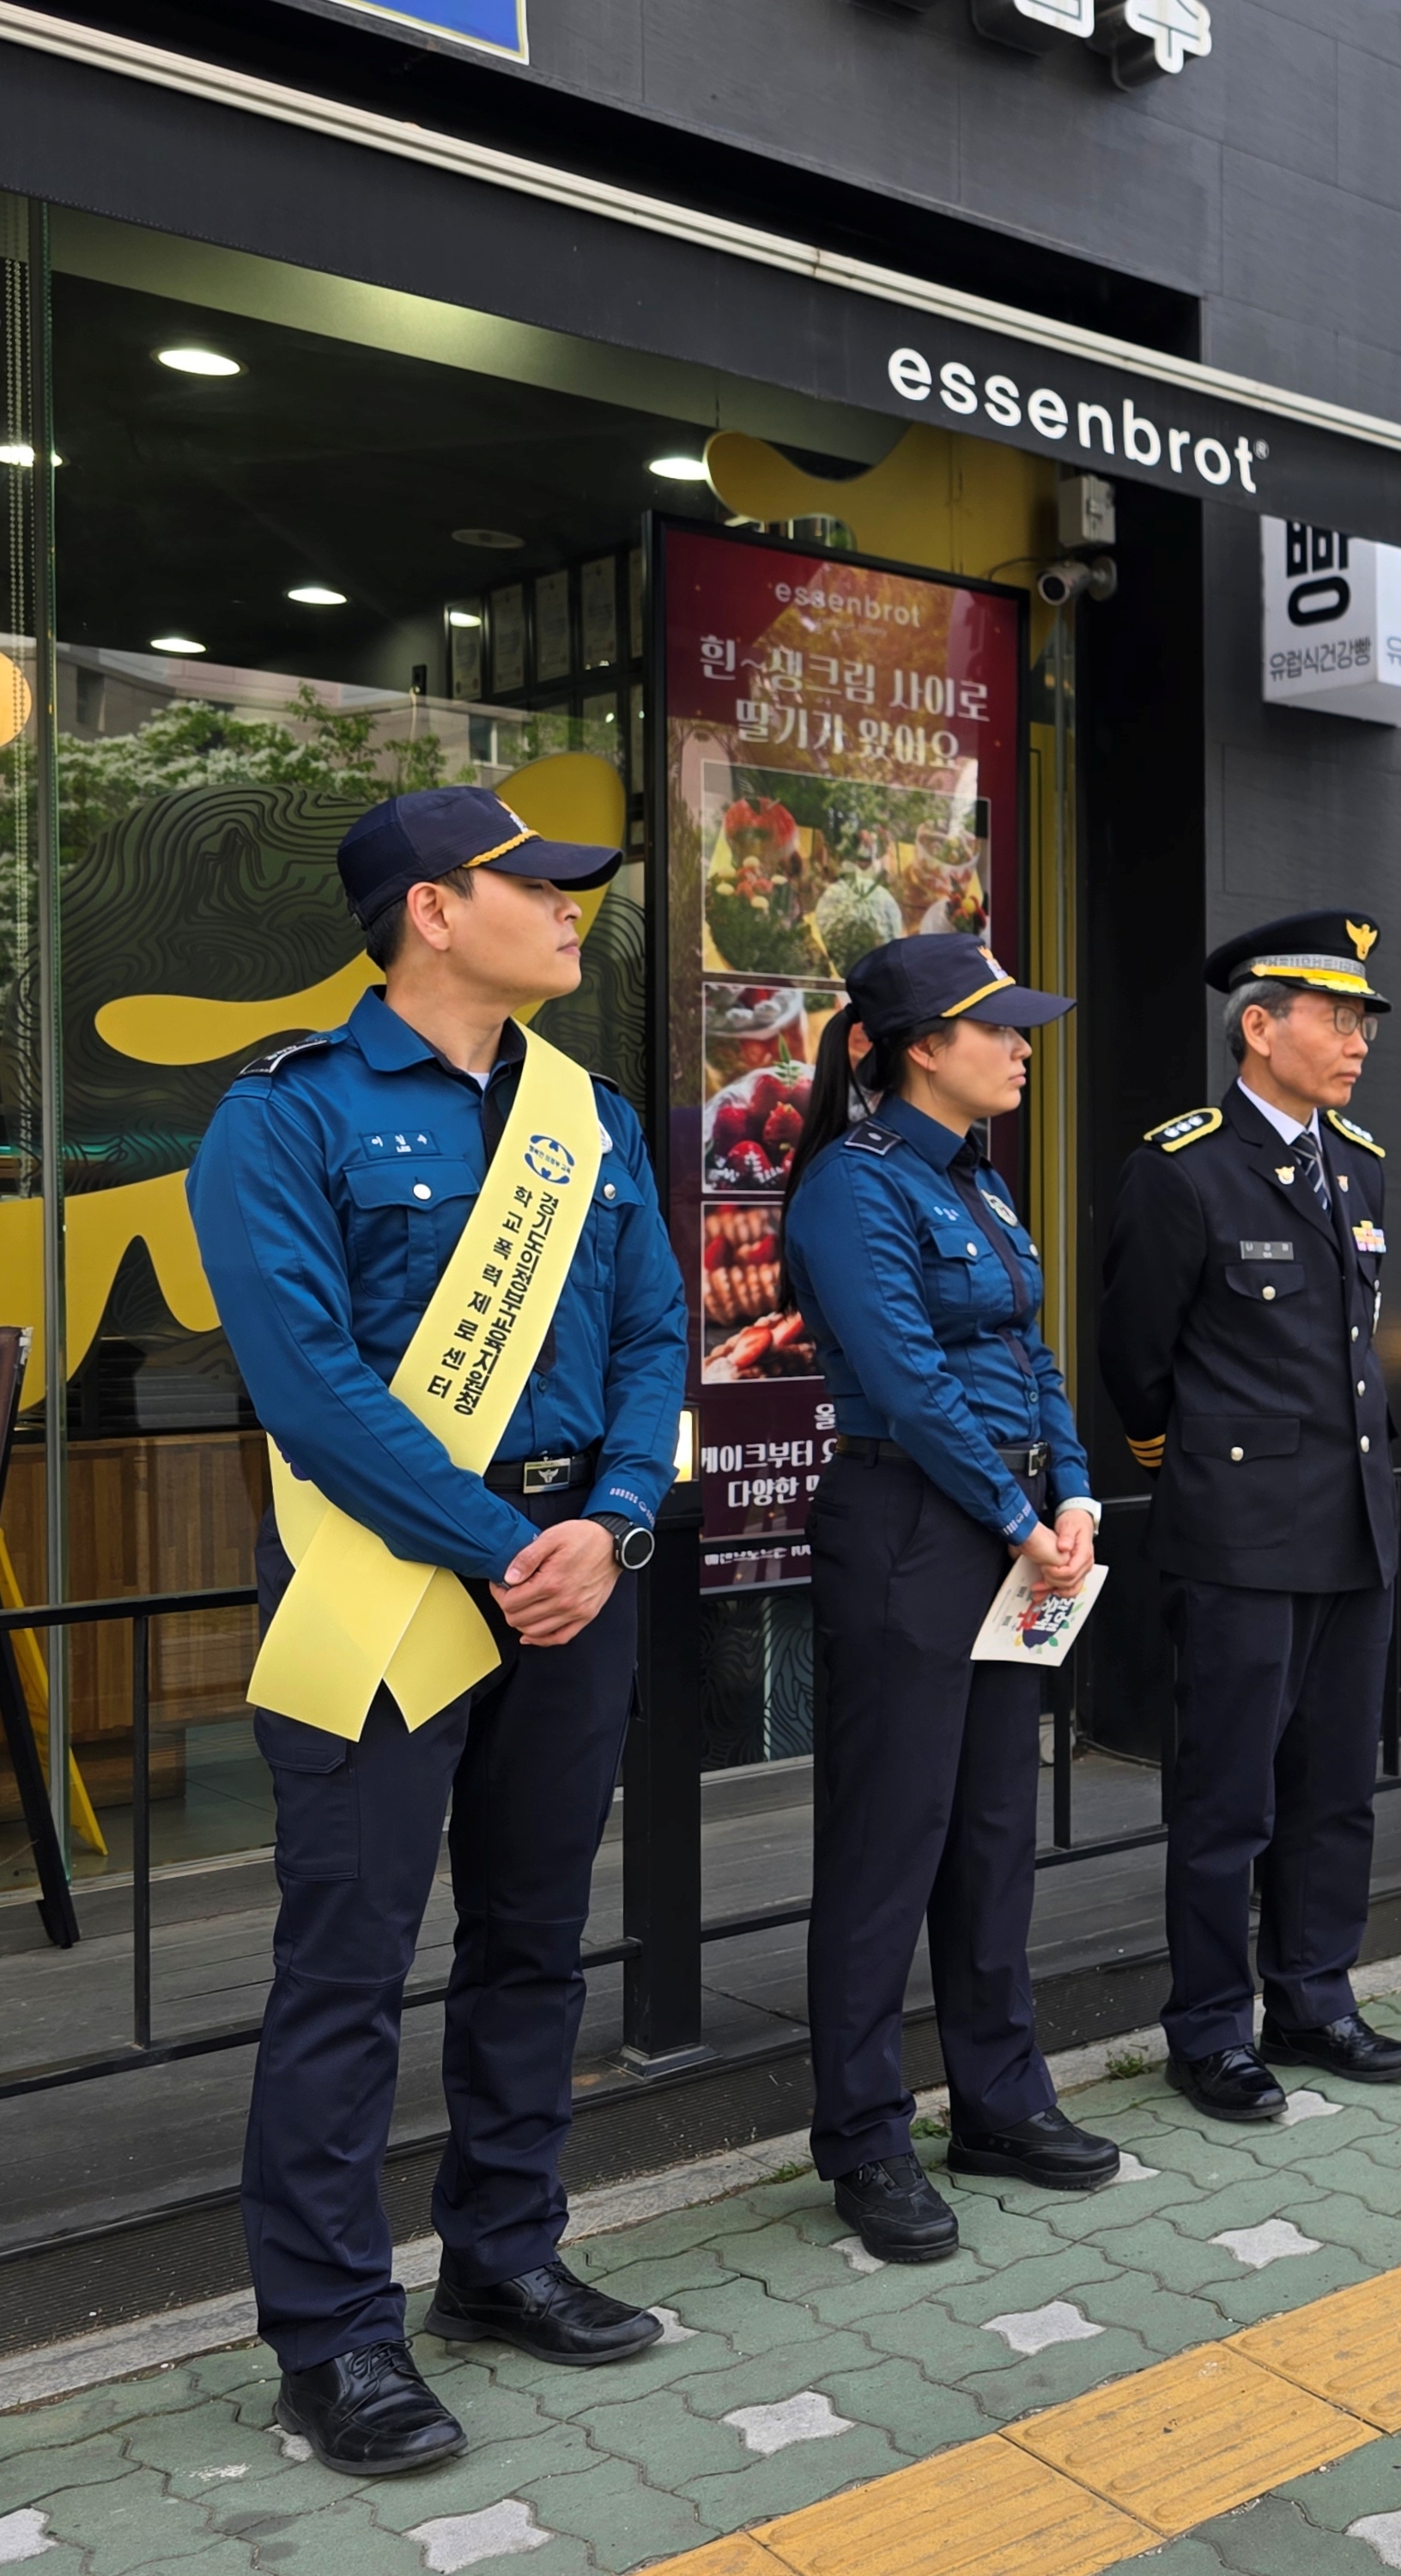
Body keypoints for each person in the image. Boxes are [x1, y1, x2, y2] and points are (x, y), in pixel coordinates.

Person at [189, 786, 685, 2473]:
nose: (571, 910)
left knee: (536, 1938)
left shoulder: (590, 1118)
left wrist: (608, 1525)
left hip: (572, 1581)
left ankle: (505, 2257)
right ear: (428, 909)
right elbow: (309, 1387)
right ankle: (332, 2338)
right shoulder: (289, 1117)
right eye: (535, 884)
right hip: (388, 1580)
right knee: (348, 1964)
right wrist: (502, 1545)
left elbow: (652, 1343)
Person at [780, 935, 1124, 2262]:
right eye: (1003, 1030)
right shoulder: (851, 1189)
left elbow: (1030, 1349)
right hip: (915, 1531)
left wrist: (1077, 1493)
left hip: (1014, 1530)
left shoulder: (977, 1181)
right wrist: (1018, 1517)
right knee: (887, 1847)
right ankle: (864, 2138)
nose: (1027, 1048)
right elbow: (910, 1382)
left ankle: (998, 2100)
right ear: (924, 1046)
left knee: (991, 1833)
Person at [1101, 912, 1401, 2117]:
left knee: (1335, 1784)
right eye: (1337, 1020)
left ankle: (1315, 1997)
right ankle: (1207, 2030)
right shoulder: (1181, 1166)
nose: (1357, 1042)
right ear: (1258, 1026)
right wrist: (1189, 1471)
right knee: (1227, 1796)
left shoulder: (1362, 1161)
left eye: (1363, 1022)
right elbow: (1136, 1361)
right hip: (1238, 1528)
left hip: (1351, 1522)